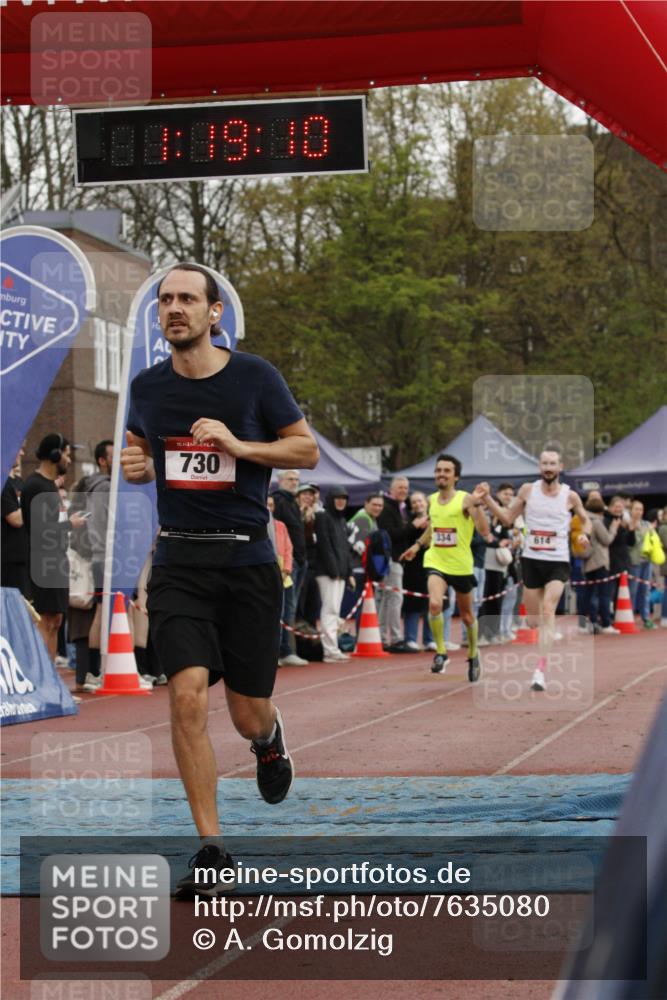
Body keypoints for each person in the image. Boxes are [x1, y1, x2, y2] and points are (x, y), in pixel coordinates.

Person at [120, 262, 318, 897]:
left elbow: (305, 450)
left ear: (214, 314)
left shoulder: (255, 377)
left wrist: (239, 445)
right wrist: (136, 464)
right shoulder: (147, 388)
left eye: (187, 299)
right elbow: (138, 450)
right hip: (179, 560)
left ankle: (269, 738)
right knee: (184, 695)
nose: (174, 308)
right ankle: (212, 848)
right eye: (165, 300)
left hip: (247, 562)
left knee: (245, 713)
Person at [478, 447, 592, 692]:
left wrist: (585, 535)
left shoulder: (570, 496)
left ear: (560, 467)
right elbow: (508, 518)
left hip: (558, 561)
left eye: (553, 463)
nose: (549, 468)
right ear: (540, 467)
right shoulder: (528, 490)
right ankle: (541, 635)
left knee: (549, 610)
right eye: (545, 464)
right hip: (531, 561)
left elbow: (585, 519)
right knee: (532, 620)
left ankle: (540, 670)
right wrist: (487, 499)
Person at [401, 454, 492, 682]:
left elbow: (483, 530)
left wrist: (478, 506)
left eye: (446, 471)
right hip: (436, 560)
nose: (441, 474)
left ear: (456, 476)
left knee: (468, 617)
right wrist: (418, 545)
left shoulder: (465, 500)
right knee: (434, 603)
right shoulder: (431, 500)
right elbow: (434, 528)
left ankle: (473, 654)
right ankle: (441, 652)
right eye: (438, 470)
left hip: (460, 564)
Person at [20, 434, 87, 662]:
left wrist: (68, 518)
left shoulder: (50, 486)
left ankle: (52, 683)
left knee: (56, 620)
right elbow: (40, 530)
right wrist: (71, 524)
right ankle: (44, 680)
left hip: (57, 559)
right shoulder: (35, 486)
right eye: (67, 454)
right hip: (43, 562)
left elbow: (51, 521)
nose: (69, 460)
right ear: (55, 455)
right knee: (46, 620)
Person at [69, 439, 114, 693]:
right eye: (112, 455)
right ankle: (94, 671)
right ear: (101, 460)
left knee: (96, 612)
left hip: (92, 556)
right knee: (101, 611)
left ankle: (91, 671)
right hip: (101, 557)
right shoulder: (103, 488)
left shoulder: (89, 486)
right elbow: (103, 525)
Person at [271, 470, 309, 665]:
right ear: (280, 481)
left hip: (297, 560)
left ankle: (285, 649)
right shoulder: (278, 501)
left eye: (296, 479)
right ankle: (280, 650)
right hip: (285, 562)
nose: (294, 482)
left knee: (290, 607)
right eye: (290, 479)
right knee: (283, 606)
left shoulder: (292, 502)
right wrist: (286, 563)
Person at [313, 485, 354, 662]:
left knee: (334, 611)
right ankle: (330, 650)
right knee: (330, 610)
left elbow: (345, 548)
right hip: (328, 572)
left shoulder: (341, 520)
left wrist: (348, 572)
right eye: (337, 498)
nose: (341, 501)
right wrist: (334, 571)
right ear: (331, 499)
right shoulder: (323, 517)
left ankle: (332, 648)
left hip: (340, 573)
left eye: (343, 498)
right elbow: (324, 545)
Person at [376, 476, 411, 652]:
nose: (403, 491)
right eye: (400, 488)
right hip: (390, 560)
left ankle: (384, 638)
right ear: (391, 489)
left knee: (387, 600)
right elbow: (391, 534)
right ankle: (395, 638)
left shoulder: (402, 507)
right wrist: (413, 526)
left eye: (405, 488)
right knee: (394, 599)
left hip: (396, 559)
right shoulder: (388, 508)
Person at [579, 495, 620, 634]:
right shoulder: (596, 522)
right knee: (604, 594)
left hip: (586, 562)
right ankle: (606, 624)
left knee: (588, 593)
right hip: (599, 561)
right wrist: (614, 528)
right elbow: (606, 540)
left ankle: (584, 624)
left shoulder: (582, 520)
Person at [346, 492, 384, 630]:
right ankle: (360, 640)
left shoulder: (370, 518)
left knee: (363, 605)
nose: (377, 508)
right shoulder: (363, 519)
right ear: (366, 504)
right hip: (358, 569)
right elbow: (360, 547)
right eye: (374, 504)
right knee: (363, 605)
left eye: (380, 505)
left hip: (358, 567)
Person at [402, 491, 434, 651]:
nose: (417, 504)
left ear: (426, 502)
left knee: (432, 603)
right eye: (414, 502)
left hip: (432, 566)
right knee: (412, 605)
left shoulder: (435, 519)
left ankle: (430, 639)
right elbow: (403, 538)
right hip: (413, 569)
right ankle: (410, 638)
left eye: (420, 501)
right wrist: (414, 527)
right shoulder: (407, 521)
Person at [1, 445, 31, 599]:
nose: (22, 453)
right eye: (19, 447)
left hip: (26, 558)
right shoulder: (3, 483)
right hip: (10, 560)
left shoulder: (19, 482)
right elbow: (15, 519)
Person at [628, 500, 655, 629]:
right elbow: (631, 543)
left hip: (647, 561)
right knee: (633, 590)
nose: (639, 512)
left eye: (641, 509)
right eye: (636, 509)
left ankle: (646, 618)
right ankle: (630, 617)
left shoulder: (647, 524)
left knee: (645, 591)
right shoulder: (627, 524)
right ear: (631, 510)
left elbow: (652, 541)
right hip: (634, 562)